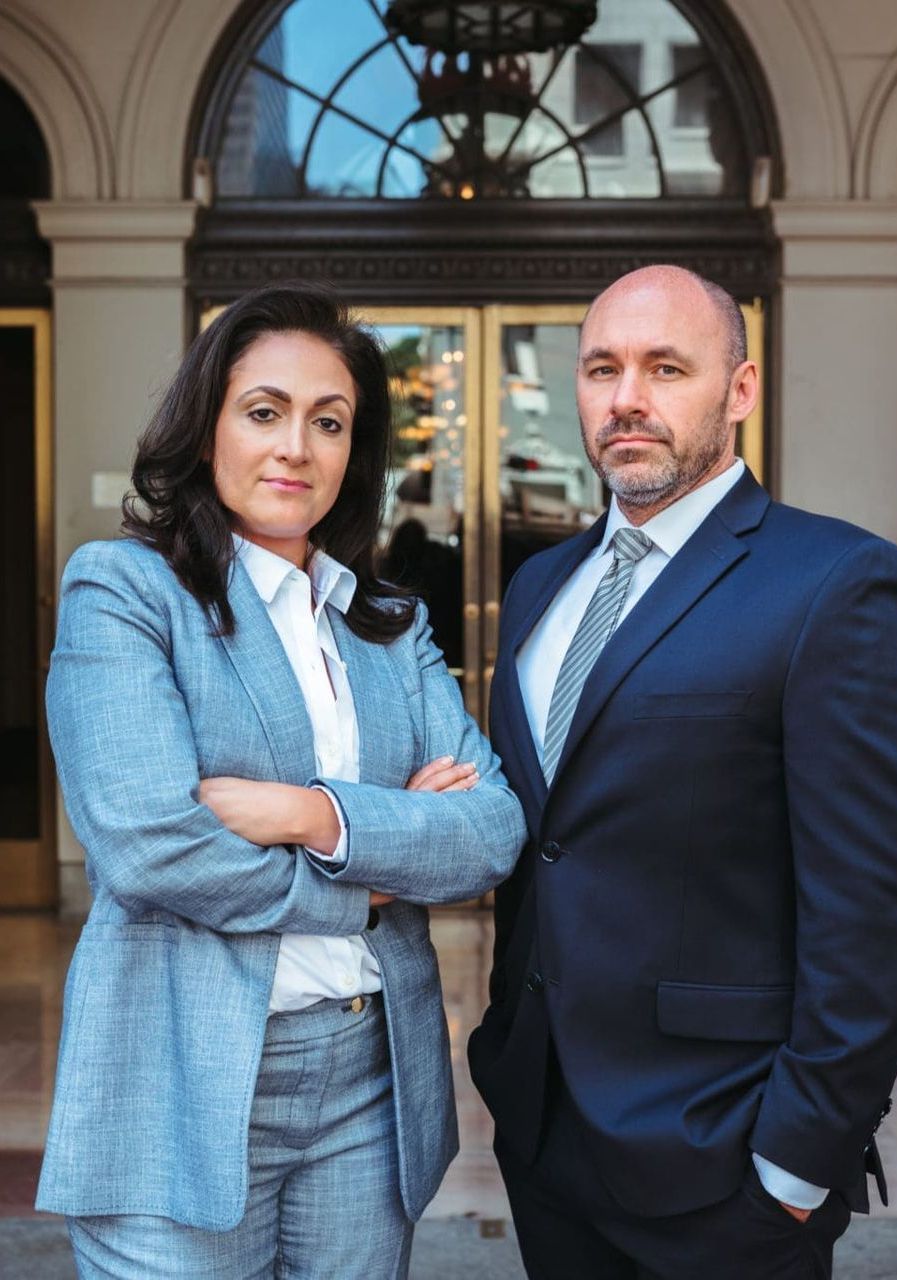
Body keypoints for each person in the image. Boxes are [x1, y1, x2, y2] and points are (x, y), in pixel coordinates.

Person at [38, 281, 526, 1279]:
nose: (295, 446)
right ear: (206, 424)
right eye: (264, 411)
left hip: (365, 1084)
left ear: (356, 452)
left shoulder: (389, 622)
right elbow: (148, 844)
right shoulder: (125, 591)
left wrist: (301, 811)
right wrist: (377, 869)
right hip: (181, 1072)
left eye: (329, 421)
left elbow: (491, 828)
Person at [468, 265, 897, 1279]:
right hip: (543, 1126)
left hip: (724, 1157)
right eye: (601, 367)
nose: (626, 396)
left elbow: (881, 905)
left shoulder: (835, 584)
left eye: (665, 366)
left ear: (739, 390)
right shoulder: (542, 581)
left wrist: (796, 1159)